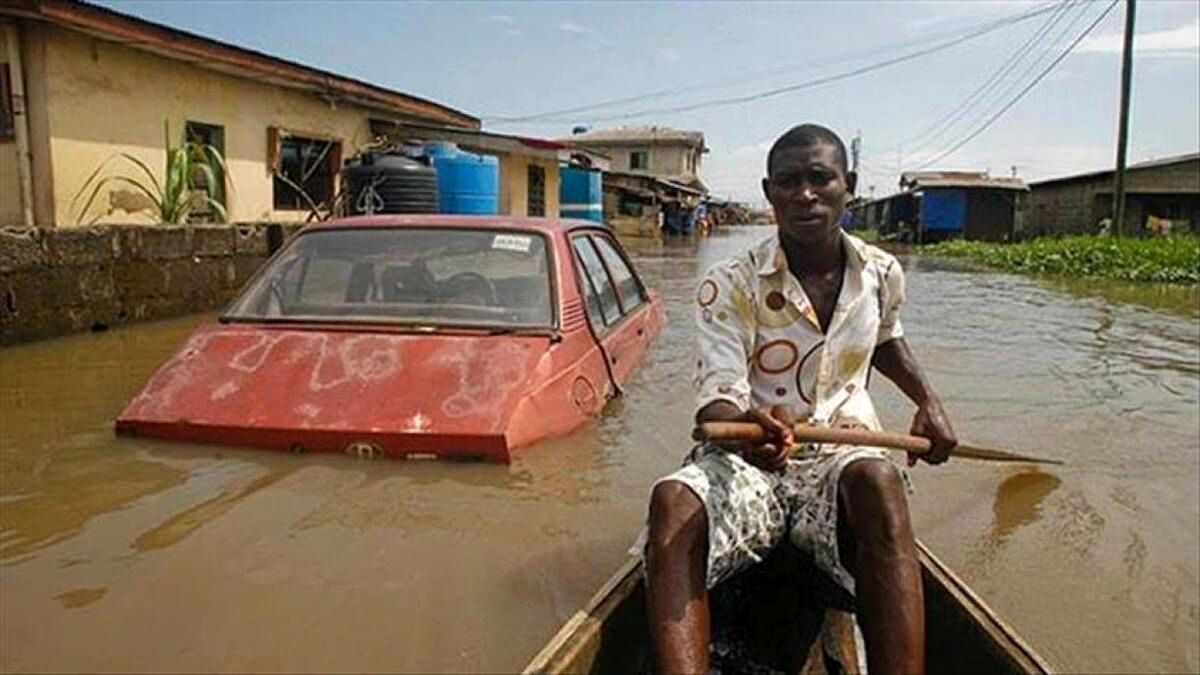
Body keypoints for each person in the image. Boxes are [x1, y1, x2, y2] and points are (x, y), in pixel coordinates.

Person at [644, 124, 958, 674]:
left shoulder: (882, 273)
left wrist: (928, 400)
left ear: (848, 185)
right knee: (671, 503)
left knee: (881, 485)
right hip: (751, 468)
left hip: (841, 462)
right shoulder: (730, 282)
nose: (805, 194)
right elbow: (716, 402)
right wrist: (748, 428)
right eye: (789, 182)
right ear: (769, 193)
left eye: (820, 178)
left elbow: (884, 338)